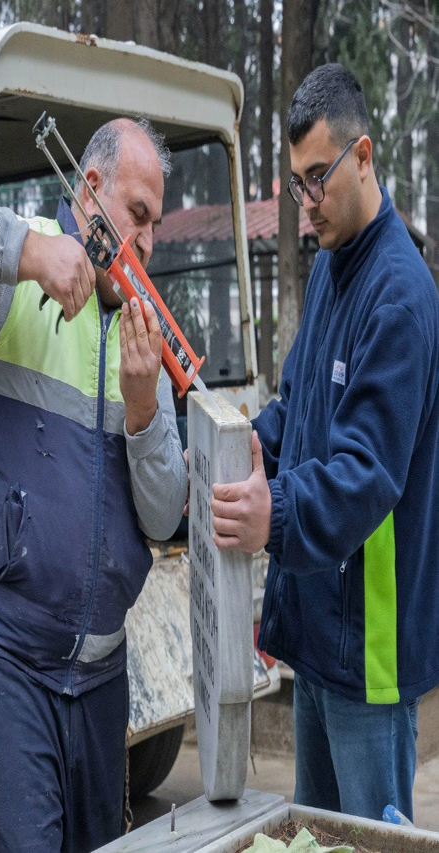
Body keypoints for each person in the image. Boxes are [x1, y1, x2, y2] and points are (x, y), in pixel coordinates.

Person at [0, 118, 186, 852]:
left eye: (155, 226)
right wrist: (31, 255)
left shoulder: (144, 331)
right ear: (89, 190)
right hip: (3, 658)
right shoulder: (22, 263)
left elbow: (164, 517)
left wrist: (143, 408)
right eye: (136, 215)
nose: (146, 241)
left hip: (99, 678)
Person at [212, 63, 439, 822]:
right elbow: (297, 407)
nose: (307, 203)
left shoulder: (399, 296)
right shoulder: (332, 272)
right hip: (319, 631)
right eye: (296, 183)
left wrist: (273, 513)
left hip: (370, 651)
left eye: (318, 178)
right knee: (315, 836)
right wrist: (233, 449)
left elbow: (364, 472)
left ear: (363, 156)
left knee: (368, 840)